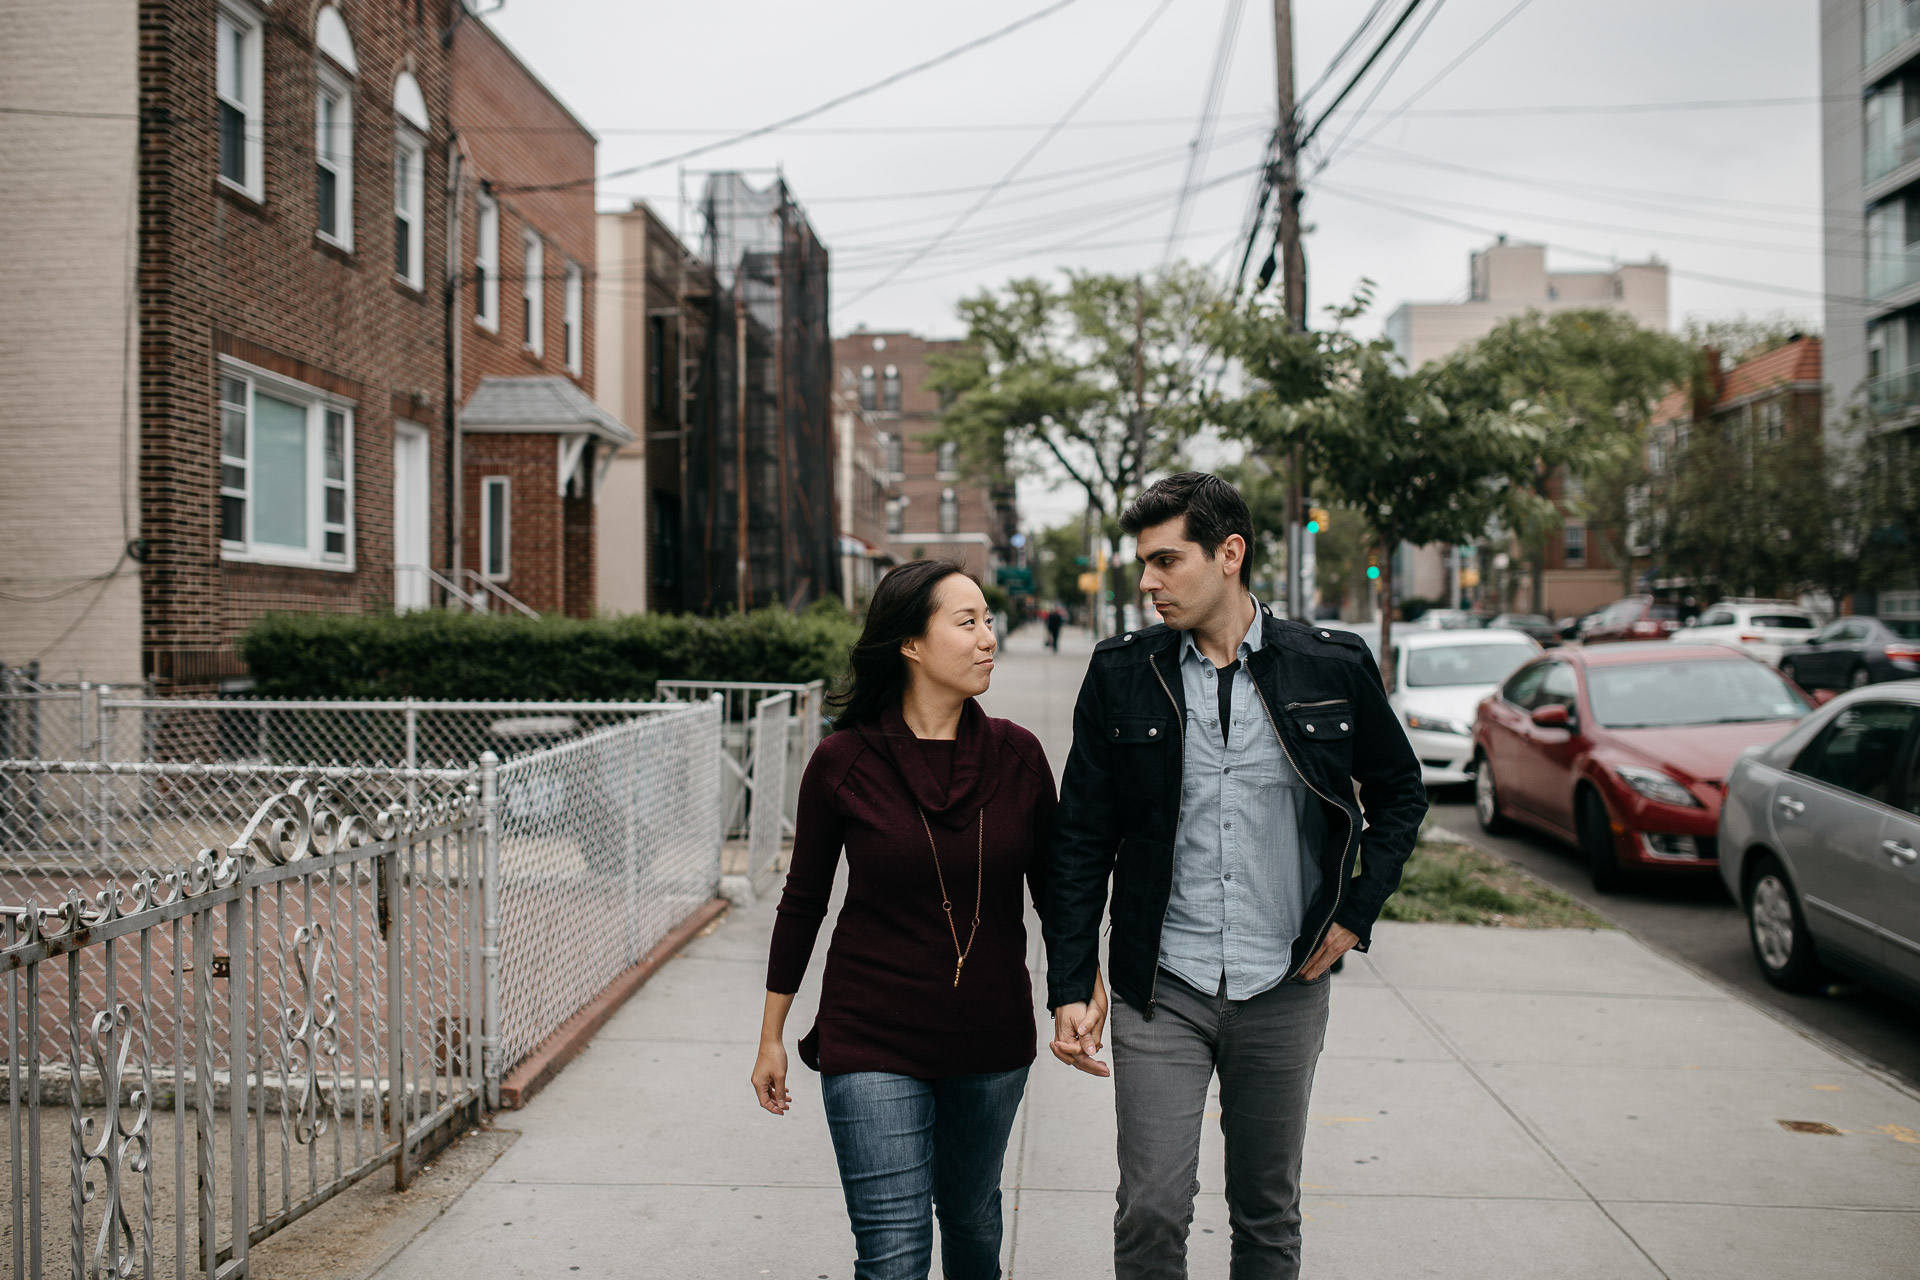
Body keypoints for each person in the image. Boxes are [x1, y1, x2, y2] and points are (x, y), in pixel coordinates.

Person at [1042, 473, 1427, 1279]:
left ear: (1230, 554)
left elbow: (1399, 794)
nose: (1146, 582)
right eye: (1142, 563)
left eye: (1165, 561)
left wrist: (1357, 912)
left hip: (1283, 982)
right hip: (1163, 984)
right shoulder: (1122, 673)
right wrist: (1072, 980)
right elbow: (1079, 838)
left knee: (1266, 1210)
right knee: (1150, 1208)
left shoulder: (1330, 666)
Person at [752, 558, 1092, 1280]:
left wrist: (1073, 992)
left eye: (989, 622)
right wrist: (772, 1035)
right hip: (871, 1035)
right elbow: (803, 900)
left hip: (991, 1042)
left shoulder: (1020, 758)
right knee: (894, 1256)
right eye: (966, 622)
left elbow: (1059, 892)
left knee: (971, 1227)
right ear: (910, 643)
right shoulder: (843, 763)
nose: (988, 639)